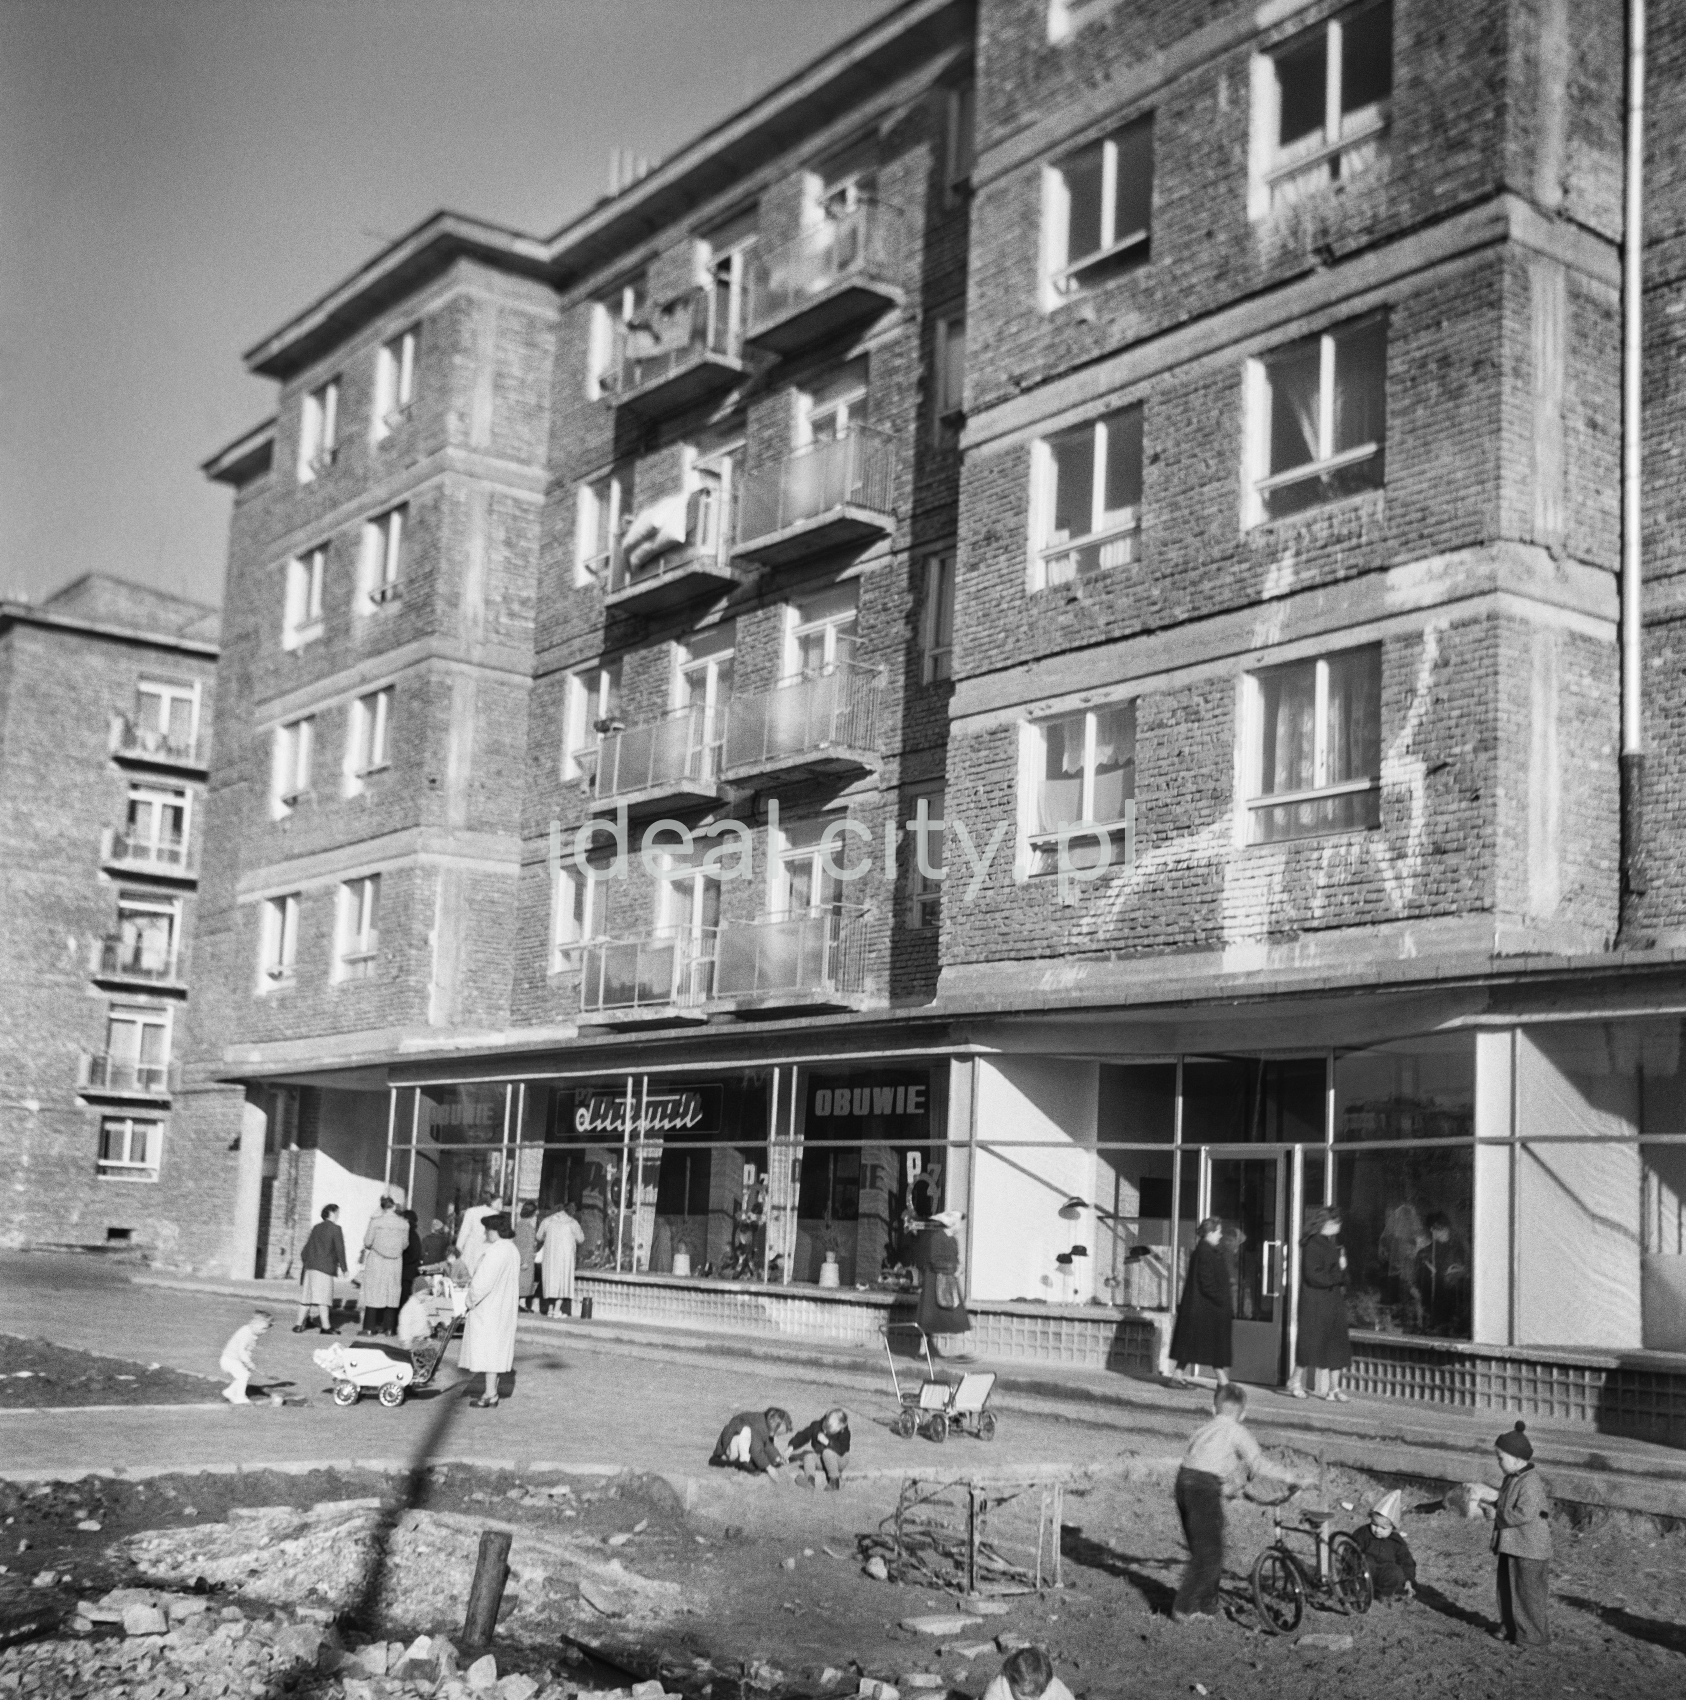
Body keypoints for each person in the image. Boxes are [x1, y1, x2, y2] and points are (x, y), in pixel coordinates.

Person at [1172, 1383, 1310, 1622]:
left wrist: (1228, 1487)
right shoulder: (1237, 1431)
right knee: (1209, 1552)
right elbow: (1257, 1463)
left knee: (1208, 1547)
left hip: (1184, 1483)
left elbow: (1201, 1460)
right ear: (1243, 1414)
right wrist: (1293, 1477)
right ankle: (1184, 1607)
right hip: (1204, 1488)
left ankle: (1207, 1605)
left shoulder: (1204, 1428)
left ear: (1213, 1409)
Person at [1489, 1421, 1552, 1646]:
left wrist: (1497, 1513)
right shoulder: (1511, 1478)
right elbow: (1505, 1502)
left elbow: (1524, 1513)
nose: (1498, 1462)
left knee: (1528, 1593)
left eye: (1500, 1457)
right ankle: (1510, 1625)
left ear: (1516, 1458)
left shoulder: (1531, 1482)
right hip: (1512, 1545)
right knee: (1506, 1588)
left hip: (1530, 1548)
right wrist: (1493, 1504)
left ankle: (1532, 1634)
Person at [1288, 1207, 1352, 1401]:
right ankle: (1295, 1381)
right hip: (1316, 1301)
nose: (1339, 1226)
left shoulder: (1331, 1245)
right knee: (1310, 1342)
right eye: (1337, 1222)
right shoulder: (1313, 1245)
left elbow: (1342, 1277)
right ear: (1327, 1223)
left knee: (1336, 1343)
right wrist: (1338, 1274)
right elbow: (1313, 1275)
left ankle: (1334, 1388)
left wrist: (1342, 1270)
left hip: (1332, 1301)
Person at [459, 1211, 520, 1408]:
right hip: (503, 1307)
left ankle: (490, 1393)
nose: (485, 1234)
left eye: (487, 1230)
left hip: (489, 1308)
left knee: (487, 1350)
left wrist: (470, 1299)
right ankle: (490, 1391)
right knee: (495, 1351)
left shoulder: (496, 1251)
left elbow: (483, 1282)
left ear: (494, 1231)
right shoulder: (512, 1250)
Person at [1166, 1218, 1232, 1388]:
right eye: (1218, 1232)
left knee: (1192, 1343)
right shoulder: (1205, 1253)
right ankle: (1222, 1381)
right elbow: (1207, 1282)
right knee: (1213, 1344)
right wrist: (1222, 1298)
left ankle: (1177, 1375)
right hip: (1205, 1308)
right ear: (1210, 1233)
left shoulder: (1206, 1251)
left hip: (1201, 1307)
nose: (1221, 1235)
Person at [914, 1205, 973, 1360]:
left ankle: (962, 1350)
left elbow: (955, 1258)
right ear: (952, 1223)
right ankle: (922, 1351)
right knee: (930, 1319)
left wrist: (959, 1267)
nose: (960, 1226)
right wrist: (954, 1269)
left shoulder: (953, 1240)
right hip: (935, 1282)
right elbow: (934, 1260)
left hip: (948, 1282)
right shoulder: (937, 1237)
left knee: (957, 1315)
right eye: (959, 1222)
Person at [1351, 1489, 1416, 1600]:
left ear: (1392, 1528)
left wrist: (1408, 1579)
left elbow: (1407, 1562)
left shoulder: (1396, 1541)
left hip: (1384, 1573)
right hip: (1365, 1570)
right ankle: (1361, 1589)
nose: (1377, 1530)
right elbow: (1351, 1550)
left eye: (1383, 1528)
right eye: (1374, 1524)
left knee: (1396, 1572)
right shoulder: (1363, 1533)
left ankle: (1383, 1593)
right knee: (1367, 1561)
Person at [359, 1196, 409, 1336]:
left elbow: (368, 1242)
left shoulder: (376, 1222)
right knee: (391, 1292)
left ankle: (369, 1327)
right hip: (395, 1261)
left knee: (374, 1291)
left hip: (377, 1260)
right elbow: (405, 1244)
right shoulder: (404, 1224)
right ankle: (389, 1328)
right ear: (393, 1206)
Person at [293, 1205, 346, 1334]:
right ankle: (326, 1327)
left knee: (307, 1297)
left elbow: (305, 1250)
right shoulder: (336, 1229)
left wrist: (308, 1263)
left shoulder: (316, 1228)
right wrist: (344, 1267)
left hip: (310, 1268)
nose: (338, 1215)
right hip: (325, 1268)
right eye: (337, 1212)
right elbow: (340, 1249)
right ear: (332, 1213)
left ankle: (299, 1325)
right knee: (324, 1299)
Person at [1415, 1212, 1470, 1336]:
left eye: (1436, 1228)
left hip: (1451, 1303)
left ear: (1446, 1228)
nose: (1432, 1231)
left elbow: (1460, 1276)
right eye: (1431, 1228)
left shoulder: (1459, 1249)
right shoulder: (1426, 1252)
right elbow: (1418, 1280)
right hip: (1431, 1301)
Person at [709, 1406, 793, 1478]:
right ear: (773, 1424)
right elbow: (756, 1449)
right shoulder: (757, 1426)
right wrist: (769, 1467)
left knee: (758, 1446)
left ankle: (747, 1462)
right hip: (730, 1447)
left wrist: (777, 1458)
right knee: (747, 1432)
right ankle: (744, 1462)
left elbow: (768, 1445)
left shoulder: (765, 1424)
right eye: (776, 1433)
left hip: (737, 1445)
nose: (776, 1436)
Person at [536, 1202, 586, 1315]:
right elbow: (581, 1239)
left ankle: (549, 1309)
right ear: (571, 1211)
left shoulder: (547, 1221)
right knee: (563, 1283)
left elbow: (539, 1237)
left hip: (550, 1257)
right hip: (565, 1258)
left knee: (550, 1281)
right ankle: (557, 1309)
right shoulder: (572, 1223)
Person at [218, 1309, 273, 1405]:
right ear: (254, 1324)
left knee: (244, 1375)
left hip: (234, 1360)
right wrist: (248, 1362)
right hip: (230, 1360)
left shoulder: (249, 1331)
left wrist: (245, 1362)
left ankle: (229, 1392)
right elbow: (241, 1350)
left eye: (266, 1329)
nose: (264, 1332)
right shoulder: (246, 1334)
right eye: (263, 1328)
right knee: (244, 1375)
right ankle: (240, 1398)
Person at [980, 1646, 1075, 1700]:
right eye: (1024, 1695)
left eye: (1036, 1696)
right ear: (1010, 1680)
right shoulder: (997, 1691)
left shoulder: (1050, 1686)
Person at [789, 1408, 851, 1490]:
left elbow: (842, 1449)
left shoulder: (844, 1433)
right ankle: (810, 1482)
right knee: (809, 1456)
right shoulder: (816, 1426)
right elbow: (804, 1435)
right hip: (823, 1461)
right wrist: (791, 1447)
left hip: (839, 1460)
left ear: (840, 1428)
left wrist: (828, 1442)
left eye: (829, 1431)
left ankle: (834, 1482)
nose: (825, 1432)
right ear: (825, 1419)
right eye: (825, 1428)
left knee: (827, 1452)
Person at [456, 1191, 498, 1276]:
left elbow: (464, 1231)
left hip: (471, 1246)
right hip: (487, 1246)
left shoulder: (471, 1211)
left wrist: (458, 1248)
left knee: (470, 1273)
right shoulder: (495, 1213)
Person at [396, 1276, 436, 1349]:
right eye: (422, 1294)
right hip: (412, 1340)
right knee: (415, 1356)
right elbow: (404, 1324)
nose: (424, 1296)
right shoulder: (409, 1307)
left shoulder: (422, 1303)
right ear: (415, 1292)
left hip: (423, 1337)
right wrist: (405, 1340)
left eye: (426, 1294)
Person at [514, 1201, 539, 1312]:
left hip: (520, 1257)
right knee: (525, 1281)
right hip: (526, 1258)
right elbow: (527, 1245)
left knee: (521, 1280)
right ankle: (522, 1303)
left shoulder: (519, 1225)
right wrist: (524, 1261)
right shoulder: (528, 1227)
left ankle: (521, 1303)